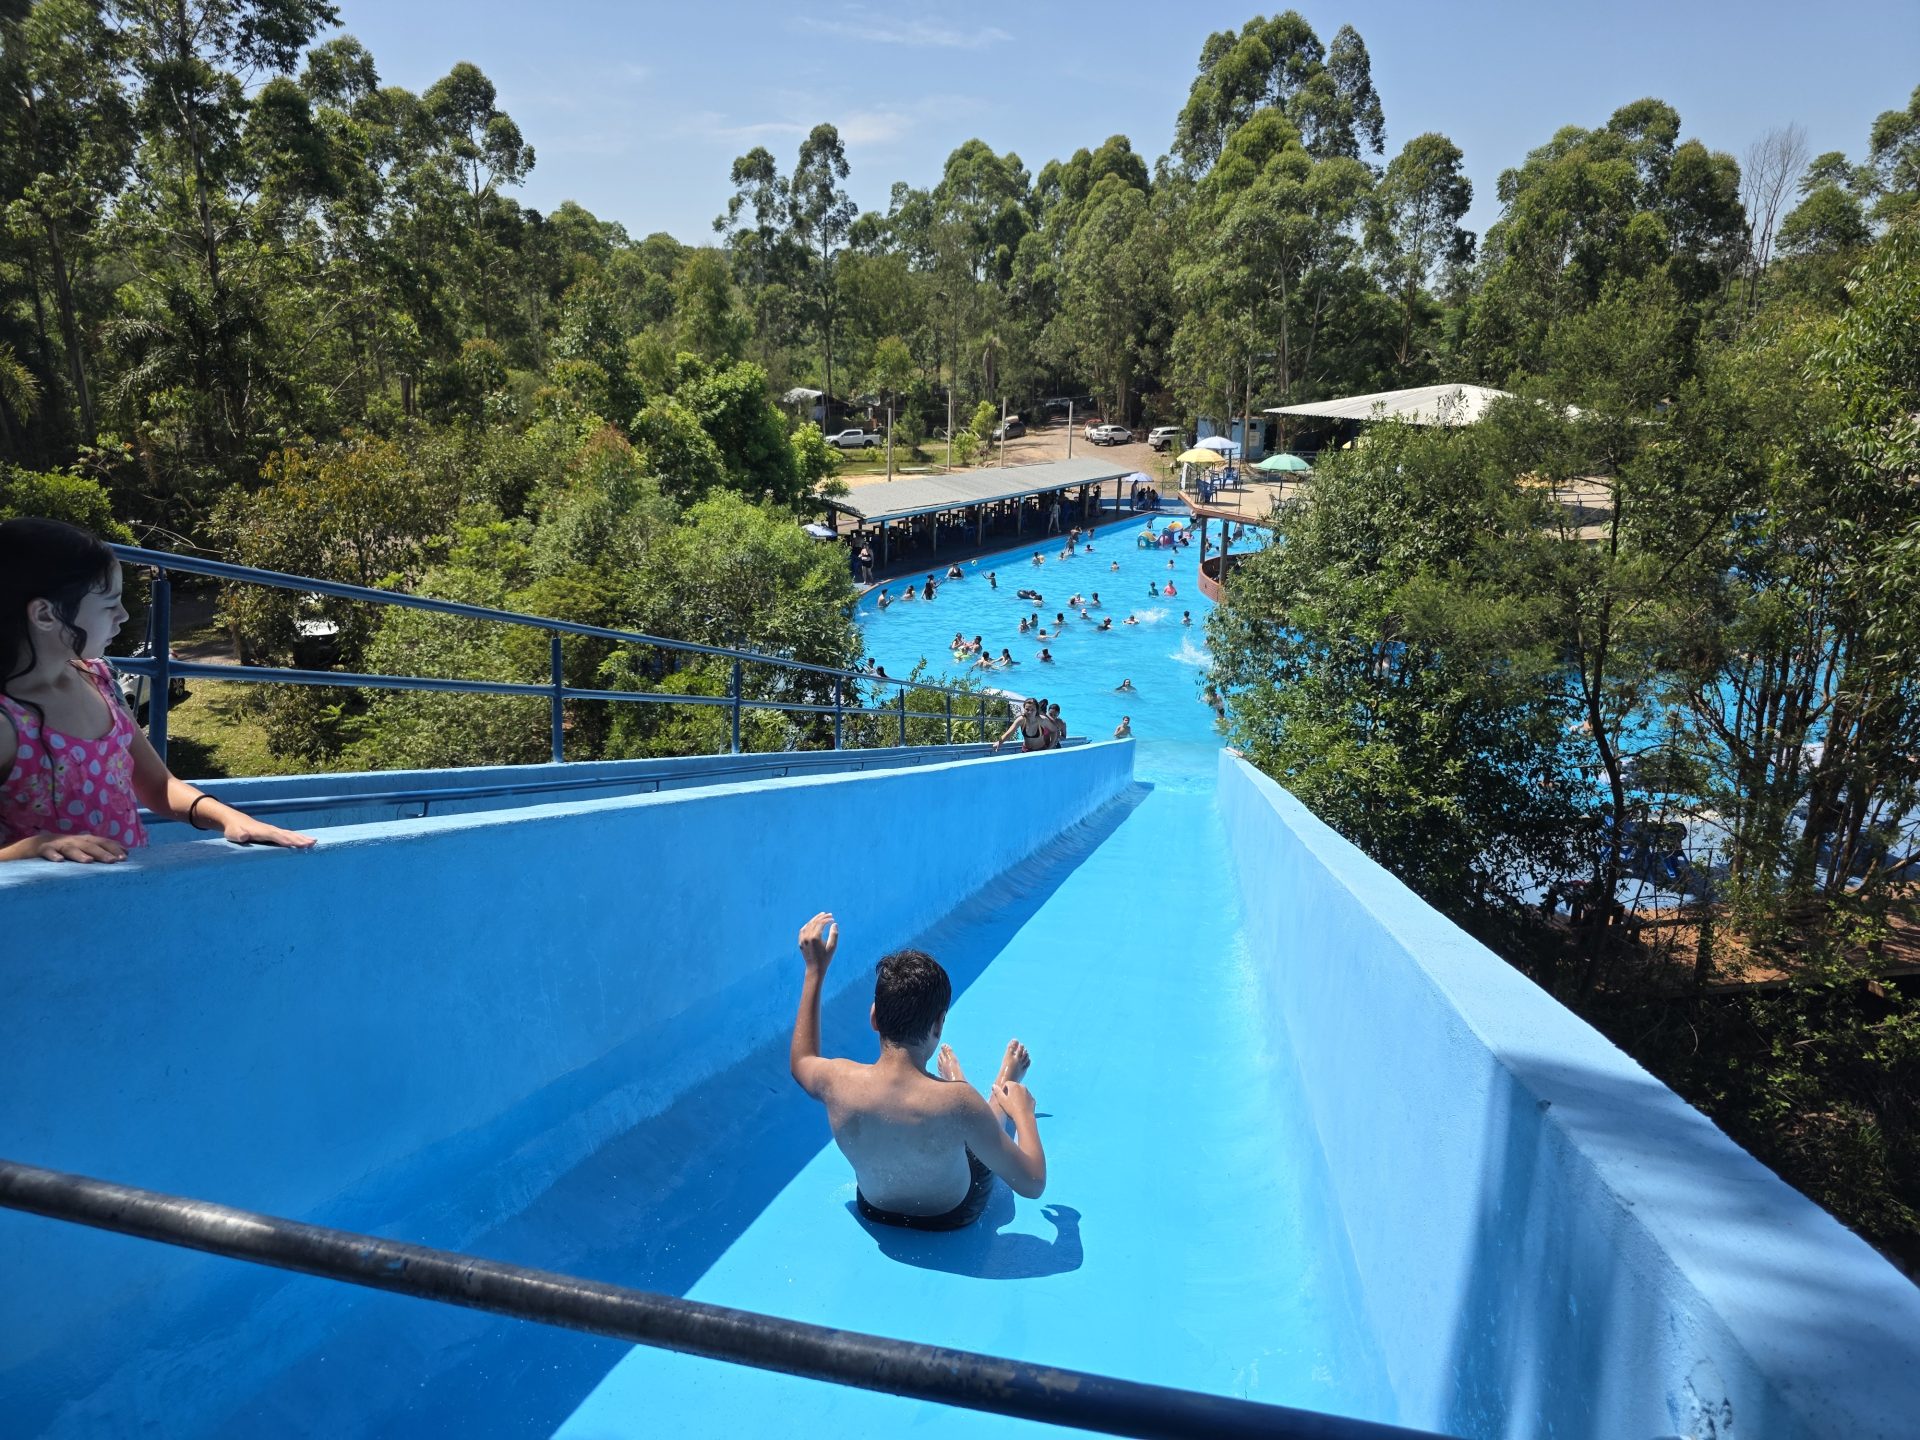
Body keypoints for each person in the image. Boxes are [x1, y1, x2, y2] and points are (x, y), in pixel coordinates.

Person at [1, 519, 316, 864]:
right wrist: (31, 848)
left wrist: (229, 817)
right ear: (45, 614)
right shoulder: (8, 722)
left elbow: (157, 784)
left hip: (136, 887)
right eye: (109, 604)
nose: (123, 616)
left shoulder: (98, 678)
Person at [788, 913, 1045, 1231]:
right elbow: (1033, 1183)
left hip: (875, 1209)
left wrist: (815, 971)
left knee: (964, 1117)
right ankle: (1003, 1086)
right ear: (938, 1025)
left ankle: (960, 1082)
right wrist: (1024, 1114)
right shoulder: (960, 1104)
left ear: (874, 1017)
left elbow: (802, 1059)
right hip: (950, 1215)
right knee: (977, 1135)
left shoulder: (836, 1080)